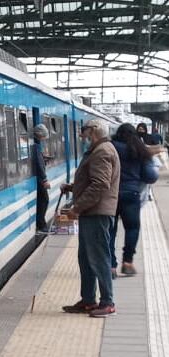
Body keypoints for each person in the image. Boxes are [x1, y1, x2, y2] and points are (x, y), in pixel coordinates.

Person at [60, 120, 120, 318]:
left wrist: (76, 208)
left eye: (83, 132)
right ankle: (88, 300)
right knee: (86, 259)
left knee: (99, 258)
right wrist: (72, 188)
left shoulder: (102, 151)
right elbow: (93, 181)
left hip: (97, 214)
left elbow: (100, 185)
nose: (81, 136)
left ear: (93, 131)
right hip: (92, 213)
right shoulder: (99, 150)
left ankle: (107, 303)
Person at [108, 123, 160, 276]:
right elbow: (150, 177)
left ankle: (110, 266)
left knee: (110, 230)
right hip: (131, 194)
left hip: (110, 195)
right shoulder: (139, 149)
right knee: (132, 228)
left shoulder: (110, 147)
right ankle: (127, 262)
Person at [31, 123, 51, 233]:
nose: (44, 138)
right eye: (44, 136)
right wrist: (45, 179)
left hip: (39, 179)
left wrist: (44, 158)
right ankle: (41, 225)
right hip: (39, 180)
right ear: (39, 135)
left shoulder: (35, 145)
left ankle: (41, 224)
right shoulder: (36, 146)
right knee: (44, 200)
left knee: (42, 200)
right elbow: (38, 164)